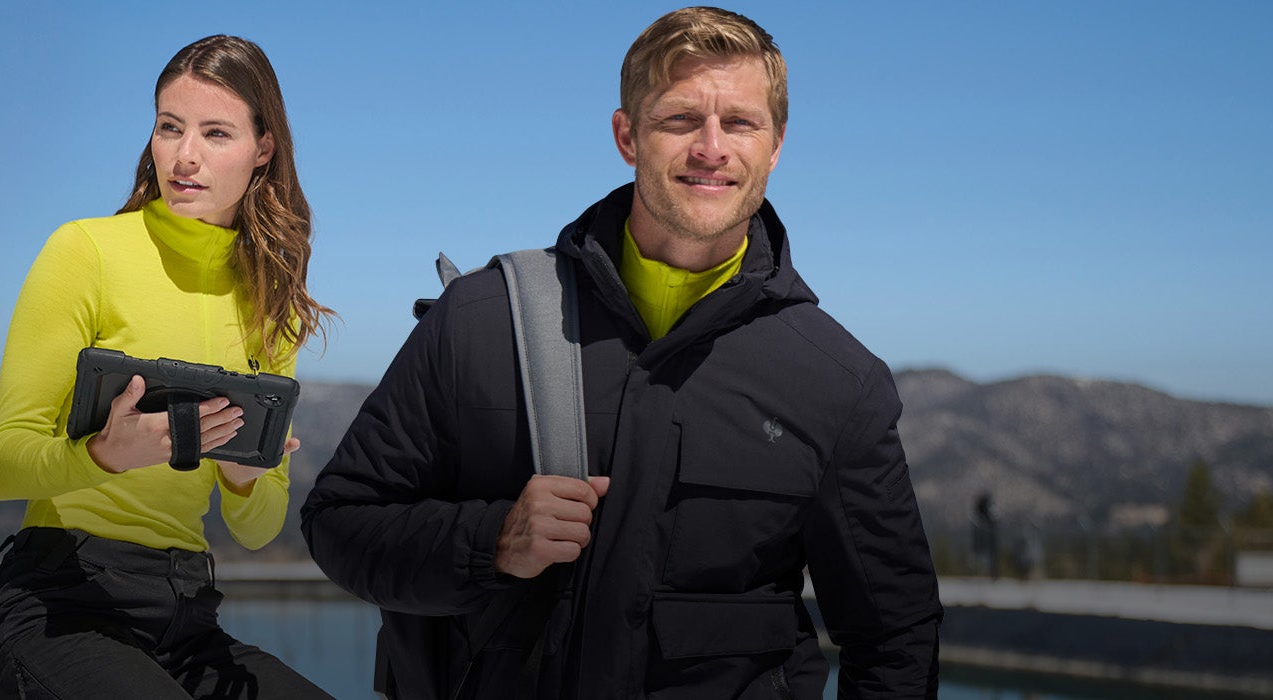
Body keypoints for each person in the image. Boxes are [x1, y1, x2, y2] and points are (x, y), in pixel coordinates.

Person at [300, 7, 941, 699]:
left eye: (742, 123)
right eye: (679, 120)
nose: (711, 148)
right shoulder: (479, 321)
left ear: (777, 143)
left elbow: (894, 640)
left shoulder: (837, 383)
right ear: (626, 136)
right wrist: (492, 541)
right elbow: (339, 522)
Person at [0, 34, 336, 700]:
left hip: (184, 614)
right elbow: (2, 461)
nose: (185, 156)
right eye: (170, 128)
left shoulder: (268, 299)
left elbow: (257, 530)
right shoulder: (85, 251)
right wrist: (102, 457)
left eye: (216, 133)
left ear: (263, 149)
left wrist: (241, 475)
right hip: (60, 604)